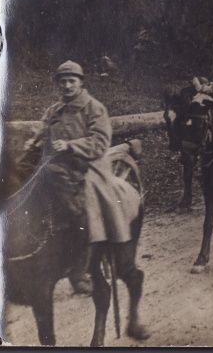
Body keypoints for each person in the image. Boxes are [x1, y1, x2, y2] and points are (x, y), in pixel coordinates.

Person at [21, 61, 142, 298]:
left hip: (87, 167)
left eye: (71, 81)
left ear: (80, 82)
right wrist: (32, 143)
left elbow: (100, 142)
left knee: (80, 211)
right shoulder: (54, 110)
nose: (66, 86)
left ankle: (81, 269)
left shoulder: (93, 108)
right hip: (55, 167)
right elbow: (42, 132)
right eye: (62, 81)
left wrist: (70, 146)